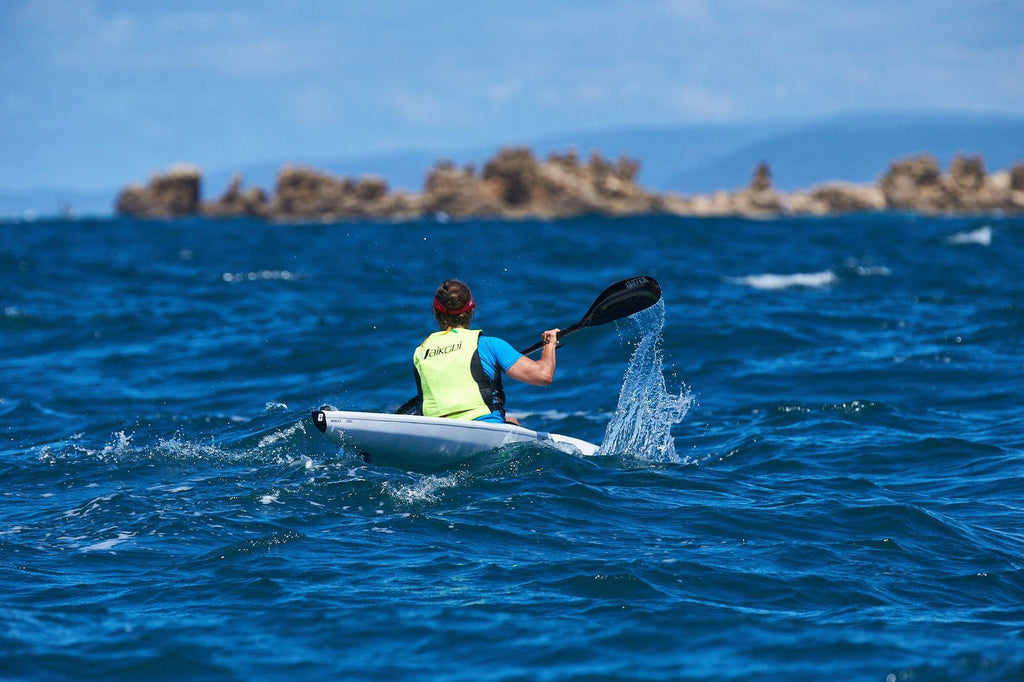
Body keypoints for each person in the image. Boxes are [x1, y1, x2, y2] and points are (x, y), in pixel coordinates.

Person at [412, 279, 558, 425]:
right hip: (486, 426)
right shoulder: (488, 345)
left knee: (510, 421)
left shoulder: (420, 352)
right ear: (471, 310)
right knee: (513, 422)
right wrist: (549, 345)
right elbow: (544, 375)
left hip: (438, 431)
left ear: (435, 312)